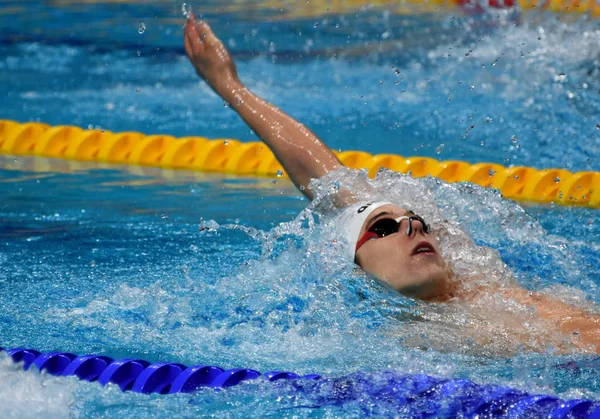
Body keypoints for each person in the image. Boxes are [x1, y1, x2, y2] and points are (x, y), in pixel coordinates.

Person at [183, 15, 599, 354]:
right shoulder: (404, 341)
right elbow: (325, 182)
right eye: (383, 227)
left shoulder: (481, 284)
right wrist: (225, 84)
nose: (413, 226)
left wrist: (231, 87)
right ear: (353, 266)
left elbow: (322, 174)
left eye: (419, 222)